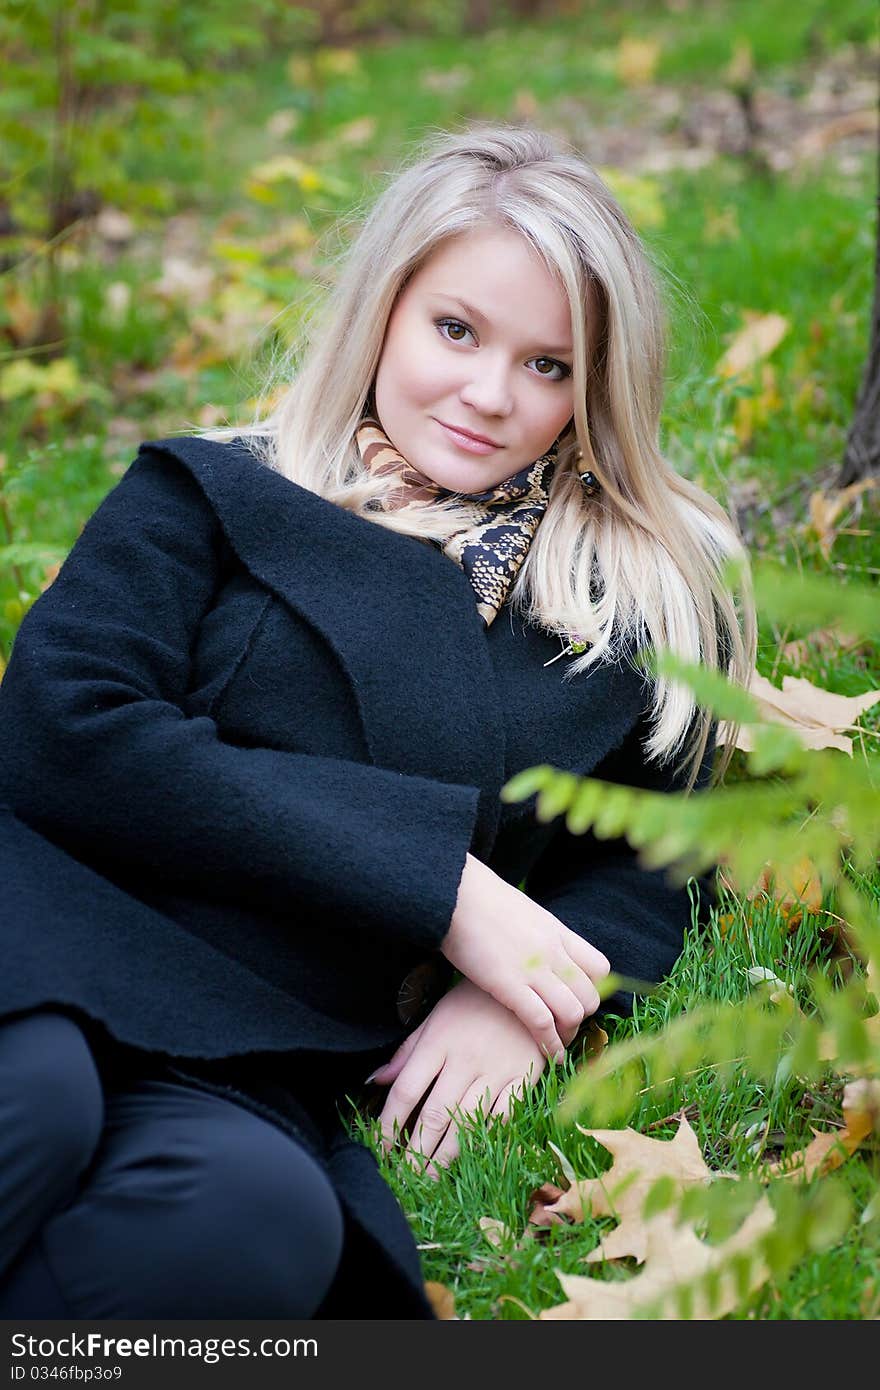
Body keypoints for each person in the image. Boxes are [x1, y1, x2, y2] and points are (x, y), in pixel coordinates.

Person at [0, 122, 756, 1320]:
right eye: (455, 330)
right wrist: (447, 893)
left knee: (256, 1225)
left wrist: (535, 992)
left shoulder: (629, 600)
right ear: (384, 310)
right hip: (51, 922)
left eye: (549, 365)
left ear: (597, 385)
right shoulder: (216, 491)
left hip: (258, 1052)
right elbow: (63, 729)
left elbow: (660, 857)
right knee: (37, 1095)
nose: (487, 393)